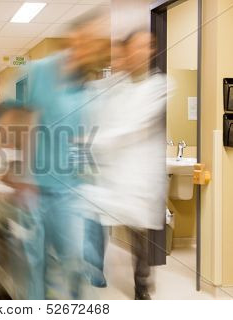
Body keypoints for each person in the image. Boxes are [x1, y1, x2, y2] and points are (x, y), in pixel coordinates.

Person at [22, 7, 111, 299]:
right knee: (36, 265)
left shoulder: (90, 88)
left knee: (73, 260)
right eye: (87, 39)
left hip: (71, 190)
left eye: (97, 43)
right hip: (36, 187)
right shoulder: (40, 72)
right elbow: (27, 126)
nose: (90, 48)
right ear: (73, 38)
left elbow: (86, 140)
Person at [78, 30, 168, 299]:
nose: (143, 51)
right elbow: (93, 101)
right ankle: (94, 269)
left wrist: (92, 141)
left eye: (147, 46)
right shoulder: (116, 86)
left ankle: (142, 286)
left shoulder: (159, 86)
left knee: (138, 233)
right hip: (110, 172)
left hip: (137, 176)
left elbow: (132, 127)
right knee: (93, 216)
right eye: (136, 47)